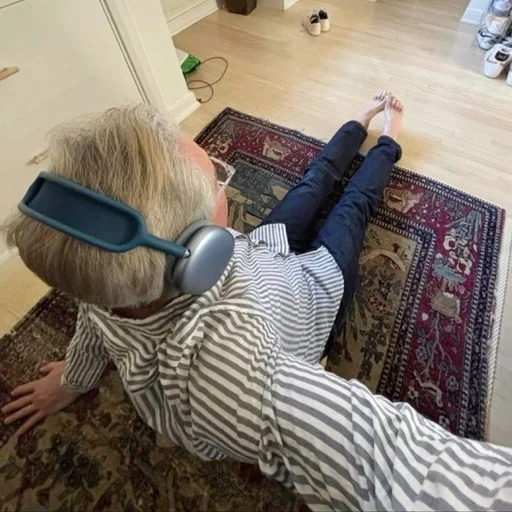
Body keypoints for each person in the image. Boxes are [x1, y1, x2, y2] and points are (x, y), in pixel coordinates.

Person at [2, 97, 512, 512]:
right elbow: (396, 464)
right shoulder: (244, 377)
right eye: (218, 180)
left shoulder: (109, 281)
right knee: (353, 206)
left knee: (314, 180)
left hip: (261, 252)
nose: (224, 181)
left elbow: (93, 317)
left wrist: (73, 379)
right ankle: (388, 141)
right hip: (313, 287)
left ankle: (357, 124)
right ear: (199, 252)